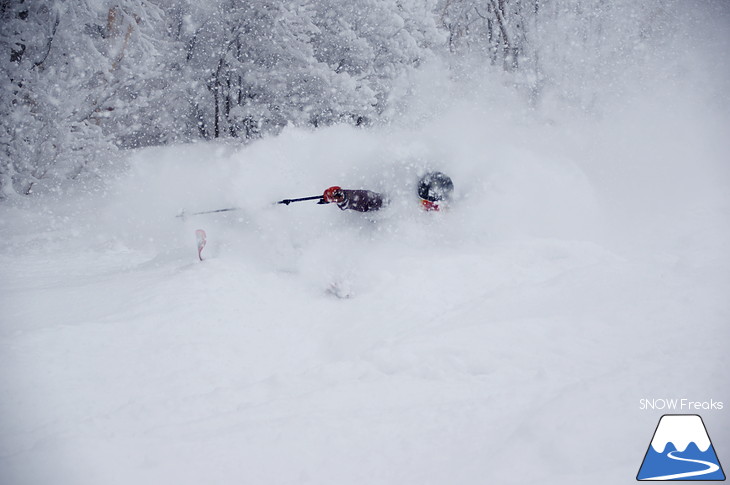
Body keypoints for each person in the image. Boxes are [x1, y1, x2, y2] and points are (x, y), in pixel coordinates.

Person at [320, 171, 453, 212]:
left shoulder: (455, 215)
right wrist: (345, 197)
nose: (430, 207)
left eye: (436, 204)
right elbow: (369, 199)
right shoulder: (401, 203)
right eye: (426, 202)